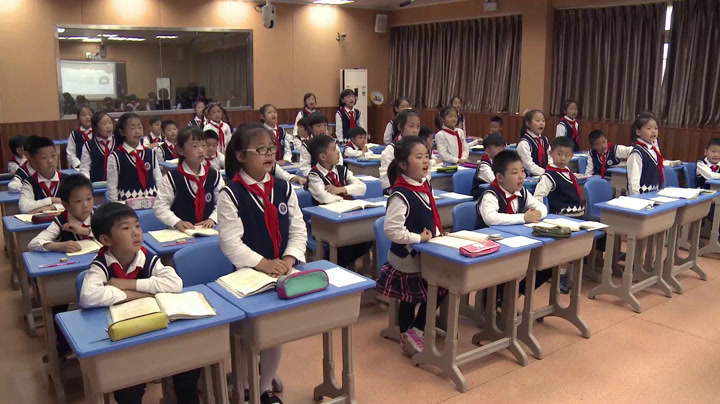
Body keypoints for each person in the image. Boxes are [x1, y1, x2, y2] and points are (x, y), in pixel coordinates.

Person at [217, 123, 307, 404]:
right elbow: (230, 243)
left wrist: (289, 258)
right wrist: (264, 264)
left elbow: (298, 228)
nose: (269, 154)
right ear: (241, 156)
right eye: (261, 149)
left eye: (271, 148)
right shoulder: (231, 193)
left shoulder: (283, 187)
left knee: (274, 334)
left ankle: (264, 386)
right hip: (249, 276)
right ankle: (244, 386)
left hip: (283, 271)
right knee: (250, 337)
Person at [78, 202, 199, 404]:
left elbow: (175, 284)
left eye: (137, 226)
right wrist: (135, 295)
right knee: (128, 388)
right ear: (106, 239)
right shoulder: (101, 265)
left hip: (157, 331)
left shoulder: (146, 257)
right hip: (124, 339)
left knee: (188, 366)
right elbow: (88, 296)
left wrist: (127, 284)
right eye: (126, 228)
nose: (136, 233)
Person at [376, 136, 445, 357]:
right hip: (407, 257)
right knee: (409, 299)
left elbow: (428, 216)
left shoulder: (423, 185)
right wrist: (418, 238)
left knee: (440, 289)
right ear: (404, 165)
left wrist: (437, 233)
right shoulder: (400, 194)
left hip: (425, 253)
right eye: (419, 157)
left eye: (427, 156)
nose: (426, 161)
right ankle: (407, 335)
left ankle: (416, 330)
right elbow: (392, 230)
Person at [306, 135, 372, 267]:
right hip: (325, 222)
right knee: (348, 240)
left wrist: (340, 189)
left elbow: (362, 187)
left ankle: (340, 263)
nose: (338, 152)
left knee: (369, 234)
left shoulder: (342, 170)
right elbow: (325, 198)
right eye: (334, 149)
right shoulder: (314, 176)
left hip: (347, 216)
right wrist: (344, 195)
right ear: (323, 156)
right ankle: (332, 262)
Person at [155, 127, 223, 230]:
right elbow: (160, 206)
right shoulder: (172, 178)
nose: (201, 150)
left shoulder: (214, 176)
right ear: (180, 150)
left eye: (204, 145)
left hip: (209, 230)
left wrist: (213, 219)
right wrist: (176, 222)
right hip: (181, 232)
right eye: (195, 146)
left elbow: (222, 203)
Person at [475, 150, 547, 229]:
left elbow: (542, 207)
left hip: (514, 234)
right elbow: (490, 218)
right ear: (500, 177)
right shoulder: (491, 194)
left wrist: (536, 214)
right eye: (515, 172)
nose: (521, 176)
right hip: (490, 235)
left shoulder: (522, 191)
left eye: (522, 171)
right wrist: (523, 218)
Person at [29, 174, 94, 252]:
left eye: (89, 199)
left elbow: (107, 234)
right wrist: (59, 246)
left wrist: (85, 231)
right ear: (65, 205)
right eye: (78, 201)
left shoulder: (99, 215)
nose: (85, 205)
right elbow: (33, 244)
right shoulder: (61, 221)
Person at [106, 113, 162, 202]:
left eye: (140, 127)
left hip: (151, 203)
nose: (137, 131)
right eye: (132, 128)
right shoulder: (115, 157)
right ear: (122, 132)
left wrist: (160, 200)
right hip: (126, 205)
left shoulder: (150, 153)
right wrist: (116, 206)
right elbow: (112, 187)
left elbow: (158, 179)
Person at [380, 109, 428, 191]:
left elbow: (426, 175)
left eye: (418, 126)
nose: (415, 131)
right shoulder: (391, 149)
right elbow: (385, 179)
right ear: (400, 127)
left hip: (420, 189)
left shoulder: (421, 146)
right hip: (399, 190)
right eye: (411, 126)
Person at [19, 136, 63, 214]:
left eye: (53, 155)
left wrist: (51, 207)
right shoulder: (29, 183)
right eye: (44, 157)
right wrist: (51, 200)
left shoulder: (67, 180)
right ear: (33, 160)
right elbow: (24, 207)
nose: (50, 161)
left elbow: (74, 204)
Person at [627, 112, 663, 195]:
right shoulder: (637, 153)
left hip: (652, 195)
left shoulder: (654, 149)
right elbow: (633, 182)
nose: (653, 131)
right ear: (638, 132)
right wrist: (636, 199)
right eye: (649, 128)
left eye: (655, 128)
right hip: (640, 198)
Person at [299, 112, 342, 177]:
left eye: (325, 125)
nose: (322, 129)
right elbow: (305, 168)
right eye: (318, 126)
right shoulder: (306, 145)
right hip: (314, 177)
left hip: (332, 175)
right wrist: (319, 176)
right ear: (310, 128)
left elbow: (339, 162)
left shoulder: (331, 141)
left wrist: (332, 174)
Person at [80, 111, 117, 183]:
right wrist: (87, 183)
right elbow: (85, 168)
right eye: (104, 124)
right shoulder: (89, 145)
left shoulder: (119, 141)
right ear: (96, 127)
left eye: (110, 123)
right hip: (96, 184)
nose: (109, 126)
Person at [471, 133, 506, 200]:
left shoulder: (502, 162)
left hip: (497, 196)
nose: (503, 152)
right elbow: (496, 182)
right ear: (488, 152)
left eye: (504, 149)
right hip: (482, 198)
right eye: (499, 149)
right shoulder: (484, 166)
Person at [517, 109, 550, 177]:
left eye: (543, 121)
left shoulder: (545, 140)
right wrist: (545, 172)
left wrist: (552, 170)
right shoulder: (524, 143)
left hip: (545, 175)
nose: (541, 123)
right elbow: (528, 164)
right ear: (528, 124)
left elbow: (550, 157)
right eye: (538, 120)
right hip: (529, 178)